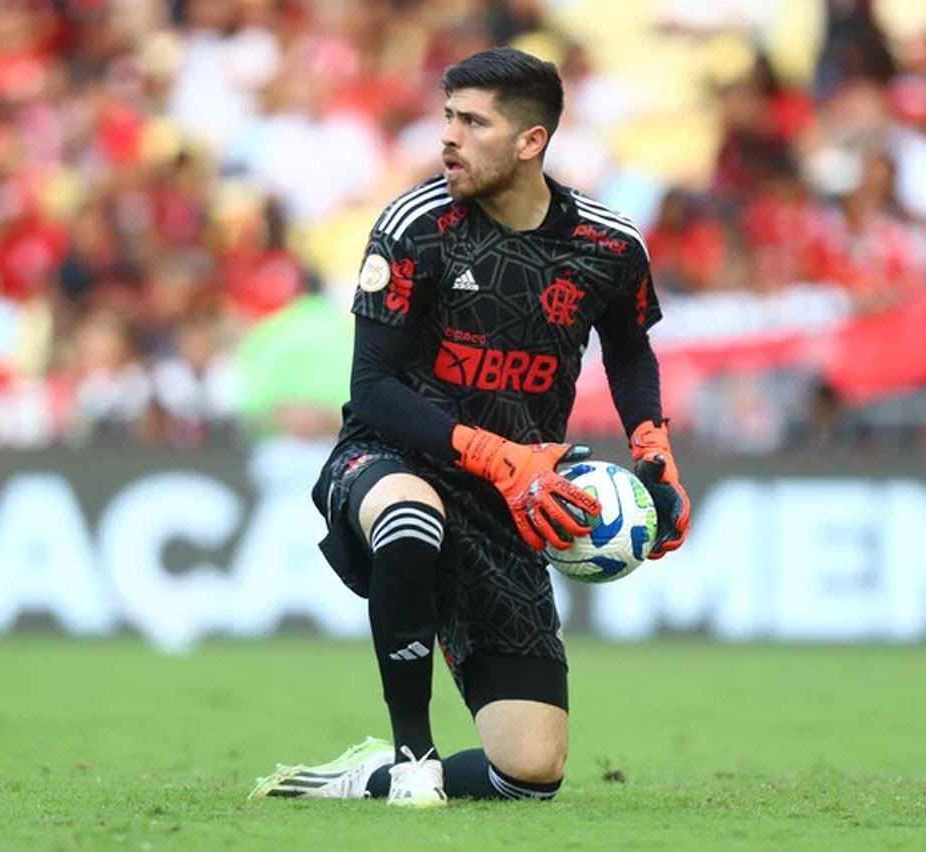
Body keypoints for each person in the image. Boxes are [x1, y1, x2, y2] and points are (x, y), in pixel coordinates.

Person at [249, 47, 691, 808]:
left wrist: (654, 449)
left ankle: (366, 777)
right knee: (412, 515)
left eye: (473, 122)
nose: (448, 137)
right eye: (447, 117)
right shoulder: (415, 226)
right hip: (393, 457)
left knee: (528, 774)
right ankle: (412, 753)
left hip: (512, 505)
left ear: (531, 142)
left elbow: (628, 343)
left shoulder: (609, 247)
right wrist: (492, 453)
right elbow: (372, 388)